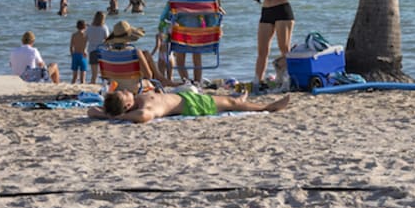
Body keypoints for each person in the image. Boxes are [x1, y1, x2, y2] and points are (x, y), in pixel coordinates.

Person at [90, 88, 291, 123]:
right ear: (126, 105)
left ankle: (242, 100)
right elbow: (144, 117)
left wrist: (108, 115)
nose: (127, 91)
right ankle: (267, 107)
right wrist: (119, 117)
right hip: (191, 105)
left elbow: (91, 110)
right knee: (230, 104)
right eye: (124, 94)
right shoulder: (145, 109)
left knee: (226, 100)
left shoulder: (135, 102)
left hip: (186, 99)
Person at [86, 11, 109, 85]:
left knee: (94, 73)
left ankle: (93, 83)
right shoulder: (104, 27)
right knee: (104, 71)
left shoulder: (89, 28)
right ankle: (104, 85)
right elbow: (107, 39)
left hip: (92, 50)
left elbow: (86, 38)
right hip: (102, 51)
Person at [70, 19, 89, 84]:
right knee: (82, 78)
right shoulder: (85, 35)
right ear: (85, 27)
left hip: (75, 54)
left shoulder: (74, 35)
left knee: (74, 76)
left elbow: (71, 46)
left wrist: (72, 54)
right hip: (83, 55)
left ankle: (72, 86)